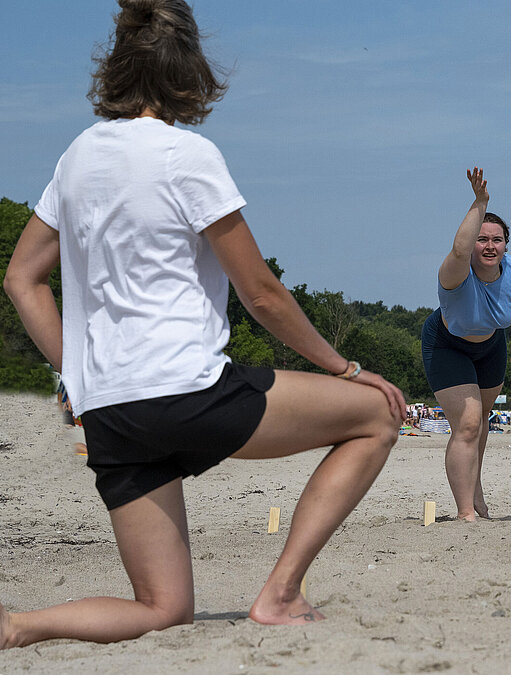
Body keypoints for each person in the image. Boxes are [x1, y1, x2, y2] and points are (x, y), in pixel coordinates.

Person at [1, 0, 405, 649]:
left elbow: (21, 277)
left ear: (116, 65)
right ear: (189, 68)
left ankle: (16, 624)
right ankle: (280, 593)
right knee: (377, 414)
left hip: (110, 411)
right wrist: (347, 367)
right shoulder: (185, 155)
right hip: (185, 391)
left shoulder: (75, 158)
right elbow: (263, 293)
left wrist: (76, 373)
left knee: (163, 606)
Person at [420, 167, 511, 521]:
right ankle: (465, 512)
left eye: (496, 239)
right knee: (469, 423)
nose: (489, 246)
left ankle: (476, 496)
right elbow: (459, 250)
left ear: (506, 244)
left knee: (481, 422)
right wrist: (480, 202)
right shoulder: (456, 271)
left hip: (491, 347)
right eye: (482, 239)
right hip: (447, 344)